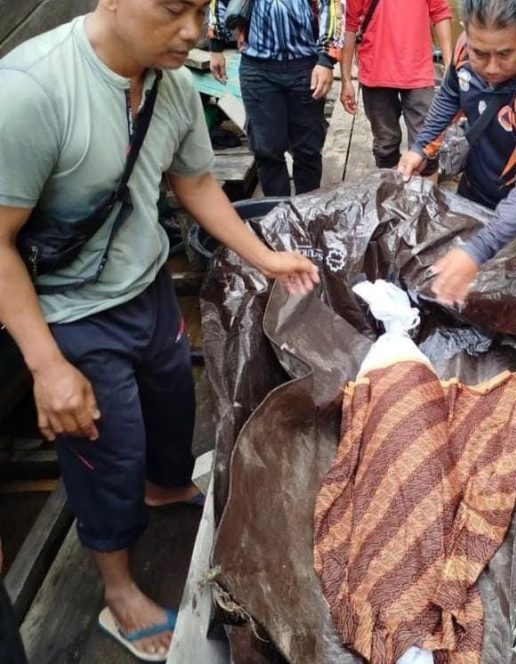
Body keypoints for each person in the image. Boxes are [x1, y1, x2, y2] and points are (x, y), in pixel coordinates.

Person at [0, 0, 319, 659]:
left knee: (175, 404)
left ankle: (168, 484)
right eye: (174, 9)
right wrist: (46, 365)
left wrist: (264, 256)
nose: (194, 31)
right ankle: (118, 589)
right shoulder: (30, 93)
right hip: (70, 313)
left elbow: (195, 181)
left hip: (146, 288)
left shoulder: (173, 84)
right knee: (106, 448)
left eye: (203, 8)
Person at [397, 0, 516, 306]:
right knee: (469, 290)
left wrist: (477, 250)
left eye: (505, 54)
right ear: (467, 32)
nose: (491, 68)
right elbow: (450, 95)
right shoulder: (466, 47)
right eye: (481, 54)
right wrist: (421, 147)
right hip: (478, 182)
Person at [209, 0, 345, 196]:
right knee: (266, 149)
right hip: (257, 68)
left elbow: (332, 6)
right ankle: (276, 214)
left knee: (308, 149)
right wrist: (216, 47)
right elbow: (219, 2)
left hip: (305, 66)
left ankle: (308, 213)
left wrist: (326, 60)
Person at [340, 0, 453, 177]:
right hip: (376, 71)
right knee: (386, 146)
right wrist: (346, 78)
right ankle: (391, 195)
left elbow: (440, 12)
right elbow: (350, 24)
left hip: (417, 69)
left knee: (428, 148)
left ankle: (426, 200)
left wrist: (449, 65)